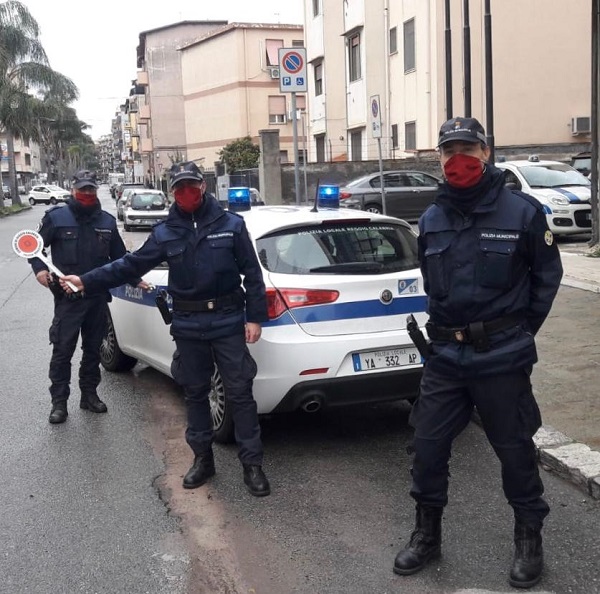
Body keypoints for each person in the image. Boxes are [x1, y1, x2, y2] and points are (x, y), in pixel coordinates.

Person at [393, 117, 563, 589]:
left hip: (501, 358)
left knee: (514, 453)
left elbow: (546, 280)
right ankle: (427, 535)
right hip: (445, 358)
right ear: (439, 157)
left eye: (467, 148)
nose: (458, 159)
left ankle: (529, 539)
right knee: (426, 449)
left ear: (486, 152)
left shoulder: (522, 212)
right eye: (449, 151)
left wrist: (516, 333)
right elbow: (434, 287)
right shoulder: (431, 218)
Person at [60, 162, 271, 497]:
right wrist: (85, 280)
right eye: (180, 187)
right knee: (195, 393)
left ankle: (252, 466)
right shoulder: (164, 232)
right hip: (188, 324)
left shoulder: (231, 224)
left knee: (240, 394)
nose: (186, 192)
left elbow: (253, 274)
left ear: (203, 186)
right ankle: (203, 459)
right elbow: (129, 265)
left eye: (191, 185)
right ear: (173, 192)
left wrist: (255, 318)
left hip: (228, 320)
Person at [30, 170, 136, 424]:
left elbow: (121, 259)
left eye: (91, 189)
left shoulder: (107, 222)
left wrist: (137, 278)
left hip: (97, 297)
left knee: (93, 350)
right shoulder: (56, 218)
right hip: (67, 299)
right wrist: (40, 269)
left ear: (96, 190)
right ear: (73, 189)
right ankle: (59, 403)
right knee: (62, 351)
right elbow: (34, 246)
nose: (87, 193)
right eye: (83, 189)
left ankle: (89, 395)